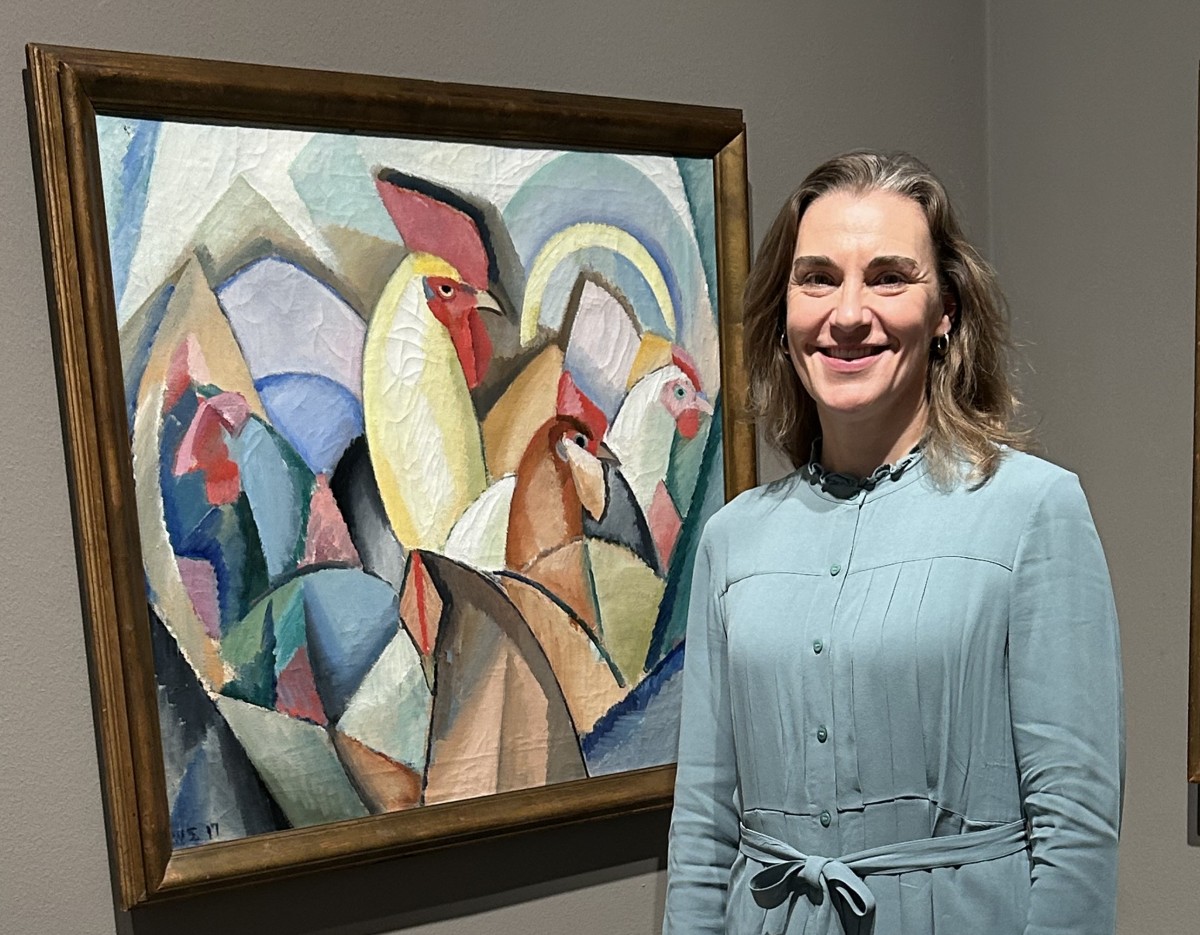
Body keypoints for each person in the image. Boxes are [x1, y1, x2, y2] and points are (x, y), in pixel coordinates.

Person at [662, 150, 1124, 935]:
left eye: (888, 277)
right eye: (817, 278)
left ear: (945, 310)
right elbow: (703, 832)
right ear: (783, 310)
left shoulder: (1032, 510)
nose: (848, 313)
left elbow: (1075, 829)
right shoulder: (731, 540)